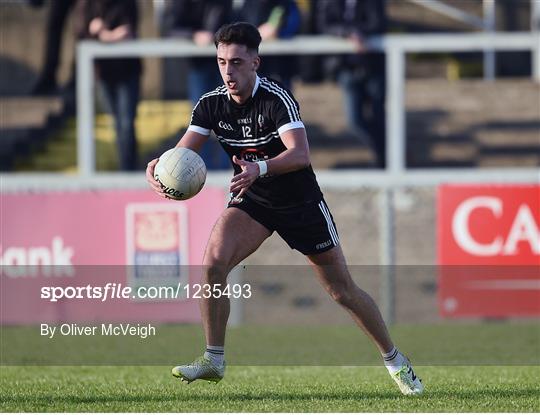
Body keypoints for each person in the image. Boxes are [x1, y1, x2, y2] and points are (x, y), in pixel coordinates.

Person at [146, 22, 423, 395]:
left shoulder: (276, 99)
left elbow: (300, 154)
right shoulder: (210, 104)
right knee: (212, 265)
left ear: (255, 62)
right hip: (254, 199)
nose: (229, 71)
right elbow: (183, 154)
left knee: (342, 290)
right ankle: (214, 358)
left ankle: (395, 361)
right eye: (222, 61)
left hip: (300, 202)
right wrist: (161, 168)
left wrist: (258, 167)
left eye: (237, 62)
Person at [315, 0, 387, 168]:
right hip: (346, 68)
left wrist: (360, 33)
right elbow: (324, 24)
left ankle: (384, 159)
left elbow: (378, 23)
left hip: (373, 67)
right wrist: (349, 33)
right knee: (355, 120)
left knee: (379, 116)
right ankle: (385, 151)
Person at [162, 0, 232, 170]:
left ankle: (231, 168)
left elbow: (234, 24)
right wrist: (193, 35)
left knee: (230, 118)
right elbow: (171, 28)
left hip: (226, 66)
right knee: (201, 119)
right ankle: (201, 168)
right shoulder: (181, 4)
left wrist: (217, 37)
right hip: (199, 66)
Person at [75, 0, 142, 170]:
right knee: (117, 123)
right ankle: (126, 168)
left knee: (126, 124)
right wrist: (106, 34)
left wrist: (103, 34)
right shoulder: (87, 5)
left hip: (128, 71)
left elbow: (128, 31)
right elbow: (81, 33)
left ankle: (128, 170)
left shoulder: (127, 4)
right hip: (104, 73)